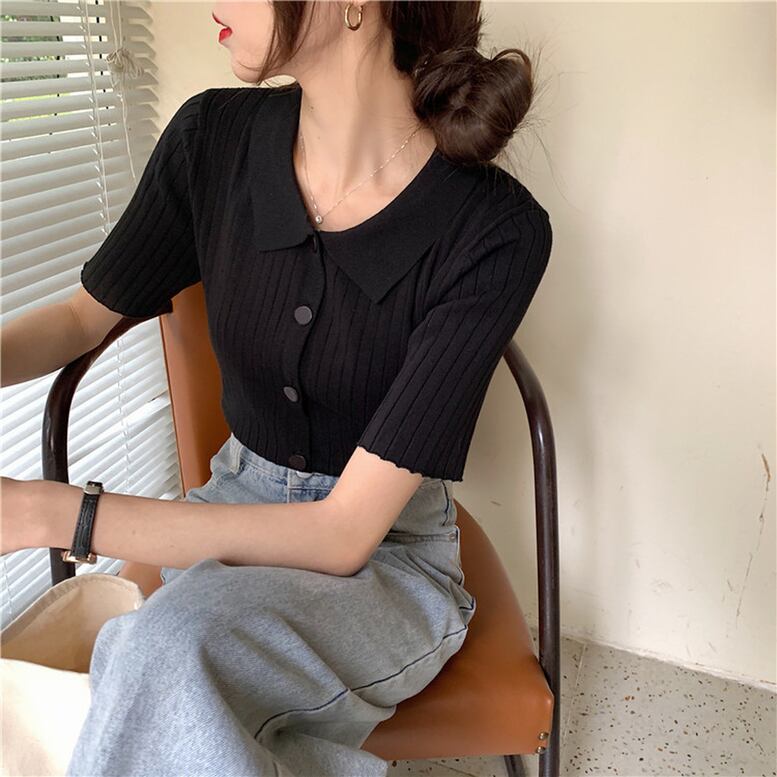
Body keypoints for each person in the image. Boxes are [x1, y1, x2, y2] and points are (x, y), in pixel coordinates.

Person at [1, 1, 553, 774]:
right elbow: (79, 318)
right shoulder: (211, 141)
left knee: (162, 651)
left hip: (385, 559)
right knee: (152, 677)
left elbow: (343, 534)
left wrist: (48, 512)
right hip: (228, 506)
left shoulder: (495, 230)